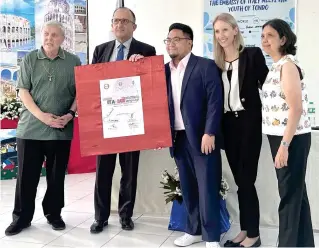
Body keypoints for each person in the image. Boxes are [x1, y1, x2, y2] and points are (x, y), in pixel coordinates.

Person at [4, 21, 81, 236]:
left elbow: (80, 93)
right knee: (27, 177)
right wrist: (43, 117)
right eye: (46, 34)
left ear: (62, 39)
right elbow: (23, 92)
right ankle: (21, 218)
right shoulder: (30, 59)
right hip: (30, 130)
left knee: (56, 177)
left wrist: (70, 114)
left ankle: (53, 214)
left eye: (54, 35)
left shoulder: (73, 61)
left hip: (60, 129)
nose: (49, 38)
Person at [90, 7, 156, 233]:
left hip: (131, 121)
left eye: (125, 21)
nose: (119, 25)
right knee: (103, 171)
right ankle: (100, 217)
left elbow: (152, 86)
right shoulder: (101, 50)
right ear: (112, 25)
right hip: (106, 122)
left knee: (129, 172)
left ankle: (126, 216)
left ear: (134, 26)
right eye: (116, 21)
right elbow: (92, 84)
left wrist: (142, 66)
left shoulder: (146, 50)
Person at [212, 13, 268, 247]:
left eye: (225, 30)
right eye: (216, 32)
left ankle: (253, 235)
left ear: (235, 30)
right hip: (228, 126)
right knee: (240, 180)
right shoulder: (215, 62)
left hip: (249, 124)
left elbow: (269, 84)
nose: (221, 36)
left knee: (247, 180)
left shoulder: (252, 55)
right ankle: (245, 230)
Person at [165, 23, 223, 248]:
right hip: (177, 138)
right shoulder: (163, 70)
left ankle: (212, 237)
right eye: (168, 39)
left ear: (189, 42)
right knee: (188, 187)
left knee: (207, 187)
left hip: (201, 138)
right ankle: (193, 230)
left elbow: (214, 102)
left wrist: (210, 132)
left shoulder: (205, 66)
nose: (171, 43)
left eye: (176, 39)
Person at [261, 19, 314, 247]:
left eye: (270, 35)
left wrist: (284, 145)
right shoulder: (277, 65)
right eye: (263, 36)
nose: (265, 40)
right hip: (281, 136)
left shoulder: (288, 65)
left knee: (289, 197)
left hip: (291, 138)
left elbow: (296, 108)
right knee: (296, 193)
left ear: (283, 39)